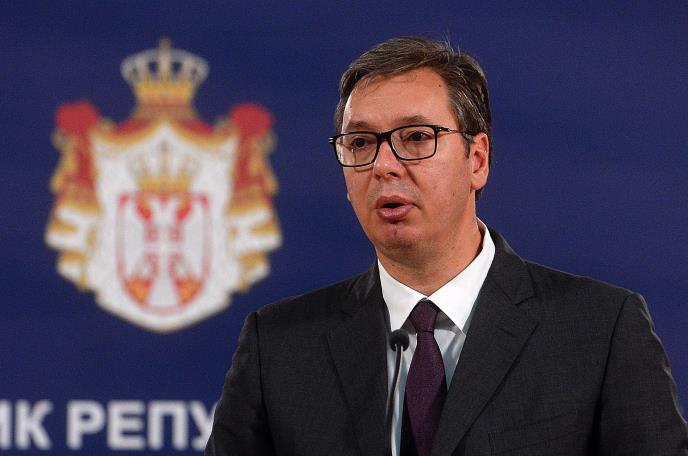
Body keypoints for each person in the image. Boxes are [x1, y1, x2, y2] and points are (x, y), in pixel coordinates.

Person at [205, 36, 687, 455]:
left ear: (477, 160)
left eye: (416, 137)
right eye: (361, 143)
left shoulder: (600, 330)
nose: (383, 165)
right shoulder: (279, 346)